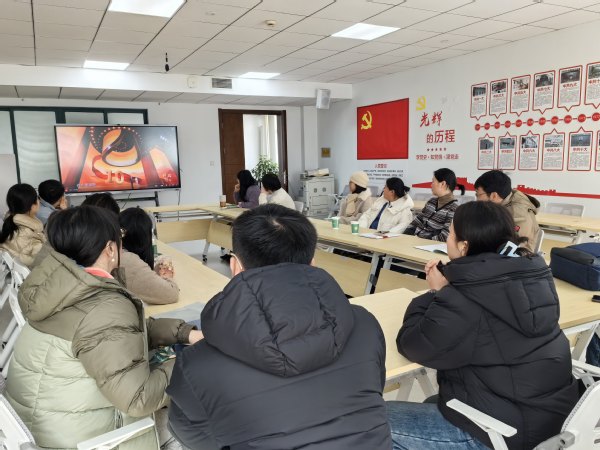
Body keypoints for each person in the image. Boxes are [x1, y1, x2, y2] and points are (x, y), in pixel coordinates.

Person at [167, 204, 392, 449]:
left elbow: (192, 436)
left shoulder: (196, 364)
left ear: (235, 267)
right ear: (312, 263)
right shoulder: (365, 325)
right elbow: (373, 390)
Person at [5, 206, 202, 450]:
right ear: (110, 249)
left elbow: (122, 332)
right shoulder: (104, 306)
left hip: (41, 424)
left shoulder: (59, 288)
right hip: (81, 440)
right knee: (195, 423)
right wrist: (187, 361)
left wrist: (185, 333)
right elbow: (138, 399)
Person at [389, 201, 578, 450]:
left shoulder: (464, 296)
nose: (447, 240)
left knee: (363, 421)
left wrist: (436, 292)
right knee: (431, 402)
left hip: (502, 435)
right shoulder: (534, 277)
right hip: (553, 422)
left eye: (451, 234)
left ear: (464, 246)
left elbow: (412, 345)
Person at [119, 207, 179, 305]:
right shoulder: (128, 261)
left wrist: (151, 273)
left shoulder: (115, 251)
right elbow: (171, 294)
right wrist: (167, 277)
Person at [474, 170, 540, 252]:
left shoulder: (517, 215)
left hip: (516, 256)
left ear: (494, 195)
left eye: (478, 194)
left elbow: (512, 250)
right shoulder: (502, 202)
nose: (477, 199)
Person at [403, 168, 465, 242]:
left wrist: (421, 240)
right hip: (415, 241)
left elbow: (445, 237)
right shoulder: (431, 202)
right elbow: (417, 221)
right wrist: (405, 236)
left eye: (433, 181)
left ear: (443, 184)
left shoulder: (454, 209)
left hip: (428, 245)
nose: (431, 185)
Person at [0, 183, 45, 267]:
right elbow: (41, 264)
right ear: (32, 205)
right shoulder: (31, 233)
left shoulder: (9, 222)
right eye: (37, 198)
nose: (39, 201)